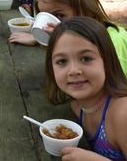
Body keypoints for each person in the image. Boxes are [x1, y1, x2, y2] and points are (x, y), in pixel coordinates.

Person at [10, 0, 127, 76]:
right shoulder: (74, 37)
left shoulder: (112, 40)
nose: (50, 23)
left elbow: (117, 86)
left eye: (59, 15)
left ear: (85, 9)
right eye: (43, 14)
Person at [45, 16, 127, 160]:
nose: (73, 70)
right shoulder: (77, 105)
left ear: (107, 60)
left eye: (86, 58)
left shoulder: (122, 113)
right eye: (62, 61)